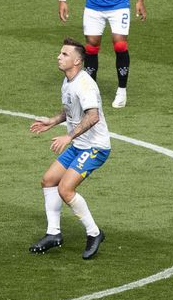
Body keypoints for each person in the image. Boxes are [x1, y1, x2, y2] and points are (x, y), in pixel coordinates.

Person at [28, 38, 111, 260]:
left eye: (64, 54)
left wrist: (68, 136)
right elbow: (71, 112)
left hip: (95, 147)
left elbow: (92, 116)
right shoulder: (68, 81)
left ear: (77, 61)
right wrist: (52, 121)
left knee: (65, 189)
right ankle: (53, 234)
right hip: (79, 145)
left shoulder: (85, 85)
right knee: (48, 180)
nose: (59, 56)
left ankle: (94, 233)